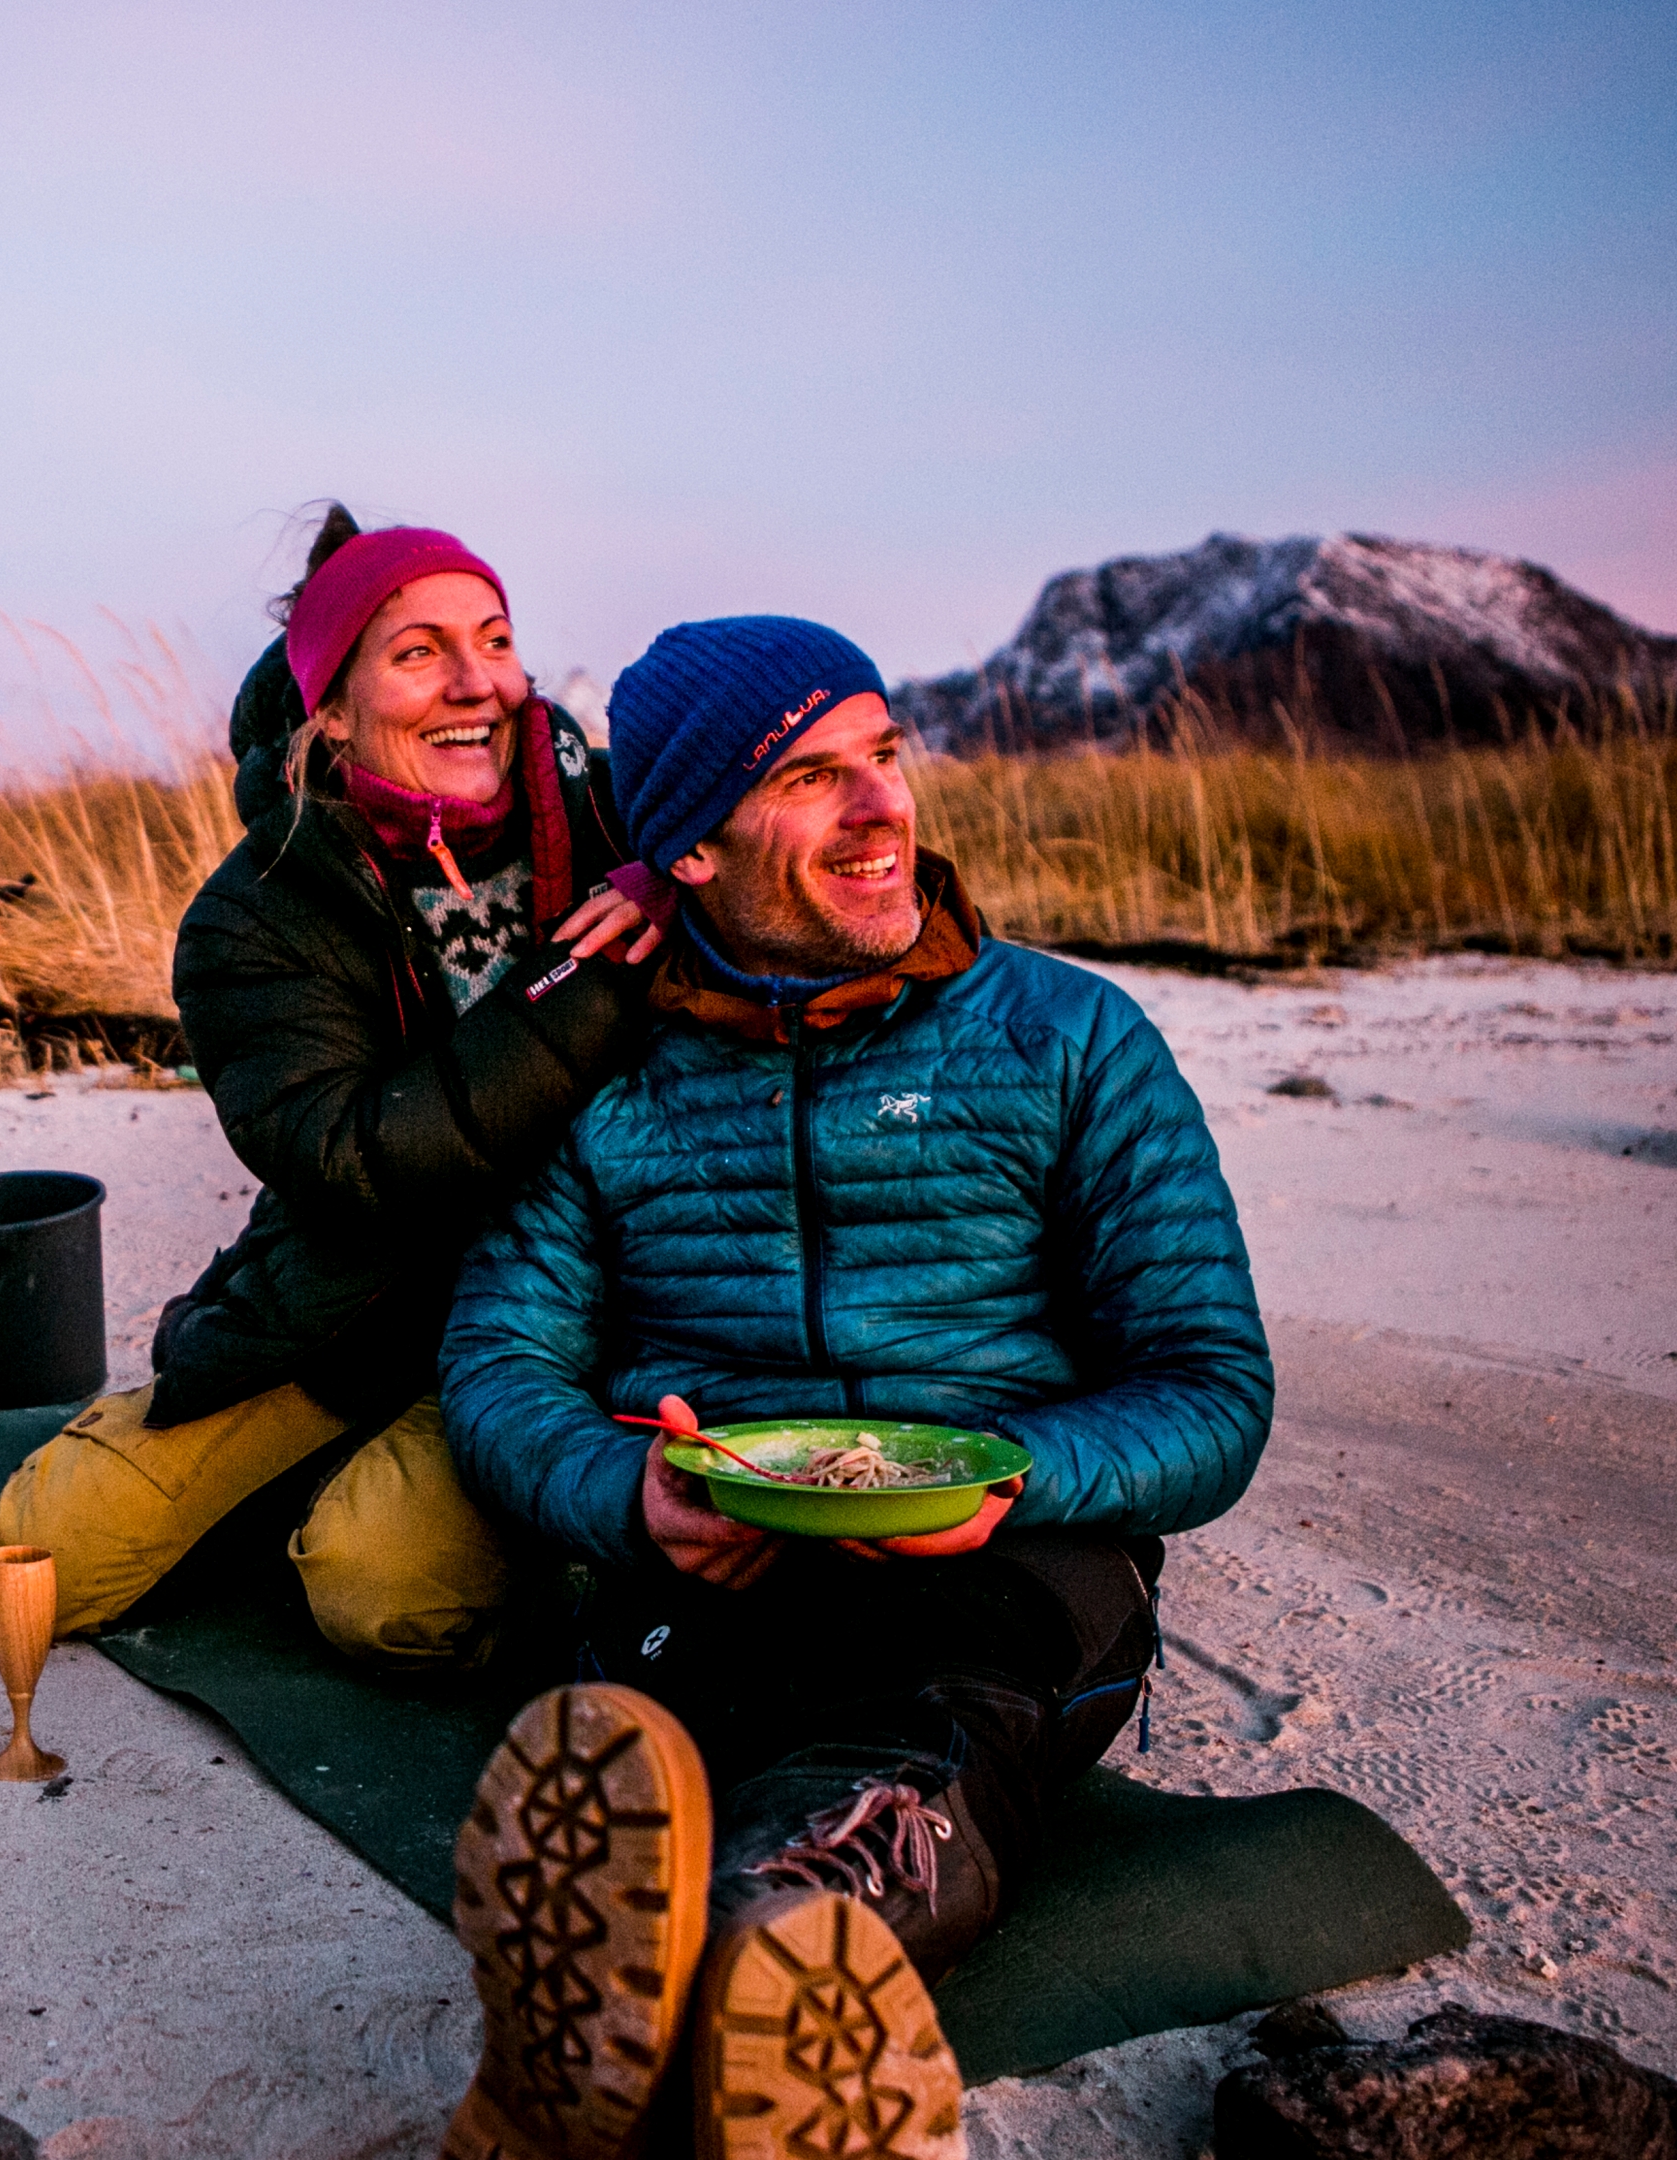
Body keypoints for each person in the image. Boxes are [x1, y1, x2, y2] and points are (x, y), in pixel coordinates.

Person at [429, 617, 1274, 2159]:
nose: (885, 808)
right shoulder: (603, 1073)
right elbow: (498, 1363)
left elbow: (1212, 1389)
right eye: (812, 778)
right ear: (686, 849)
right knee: (680, 1694)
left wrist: (1006, 1471)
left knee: (930, 1714)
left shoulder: (1067, 1035)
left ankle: (770, 1927)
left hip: (1007, 1556)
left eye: (885, 755)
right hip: (710, 1553)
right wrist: (630, 1495)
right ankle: (721, 1959)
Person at [0, 507, 663, 1666]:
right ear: (331, 711)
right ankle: (325, 1471)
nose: (474, 685)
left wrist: (670, 890)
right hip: (363, 1297)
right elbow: (351, 1158)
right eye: (416, 653)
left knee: (379, 1593)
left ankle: (528, 1517)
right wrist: (579, 981)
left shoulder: (615, 817)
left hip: (578, 1310)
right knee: (37, 1558)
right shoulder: (257, 913)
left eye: (494, 641)